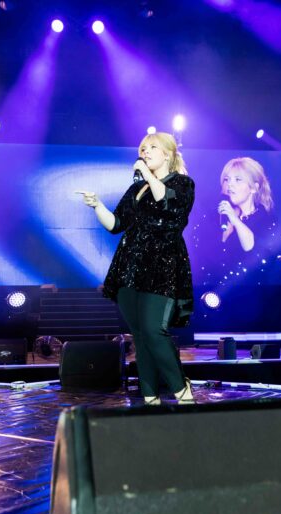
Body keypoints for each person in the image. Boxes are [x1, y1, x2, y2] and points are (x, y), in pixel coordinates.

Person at [77, 132, 194, 405]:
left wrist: (146, 174)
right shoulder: (136, 190)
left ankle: (181, 388)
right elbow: (116, 224)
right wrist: (97, 205)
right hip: (129, 268)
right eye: (142, 148)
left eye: (152, 147)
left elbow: (167, 205)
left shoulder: (183, 183)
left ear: (168, 154)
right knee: (140, 337)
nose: (145, 152)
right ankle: (150, 396)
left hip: (162, 267)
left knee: (154, 331)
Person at [198, 157, 281, 288]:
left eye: (238, 179)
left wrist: (235, 220)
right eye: (227, 179)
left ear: (254, 188)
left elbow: (259, 257)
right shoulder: (213, 218)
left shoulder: (265, 221)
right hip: (209, 292)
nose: (230, 185)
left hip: (249, 293)